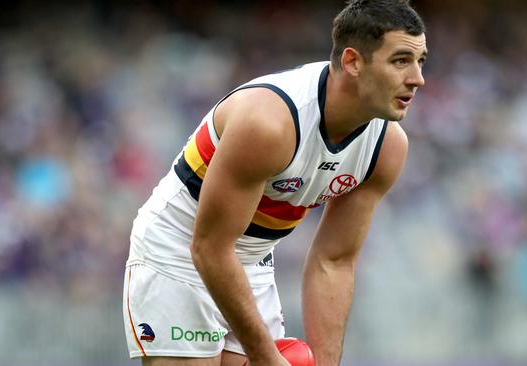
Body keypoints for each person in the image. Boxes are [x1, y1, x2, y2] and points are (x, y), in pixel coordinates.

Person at [122, 1, 427, 365]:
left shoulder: (387, 148)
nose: (417, 78)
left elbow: (334, 260)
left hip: (250, 262)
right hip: (178, 251)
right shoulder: (269, 123)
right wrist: (266, 357)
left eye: (420, 61)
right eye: (400, 61)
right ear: (352, 62)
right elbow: (209, 247)